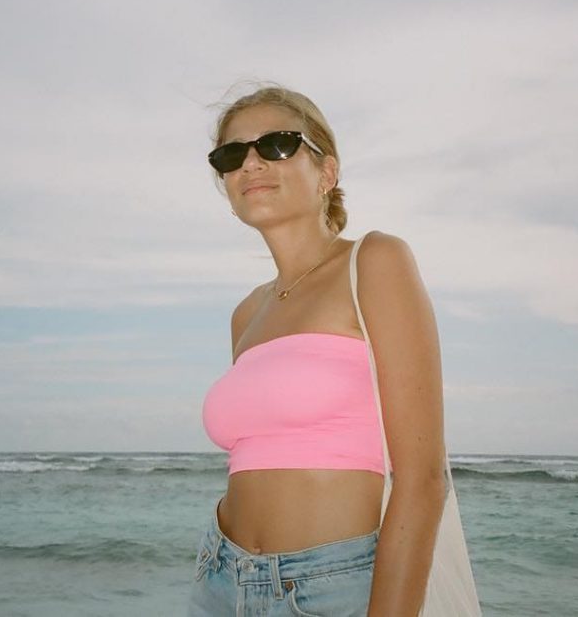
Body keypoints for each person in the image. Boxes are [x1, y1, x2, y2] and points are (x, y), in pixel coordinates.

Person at [188, 84, 449, 616]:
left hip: (331, 586)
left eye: (277, 144)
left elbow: (423, 479)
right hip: (220, 577)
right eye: (232, 154)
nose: (251, 163)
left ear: (326, 173)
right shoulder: (246, 314)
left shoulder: (374, 262)